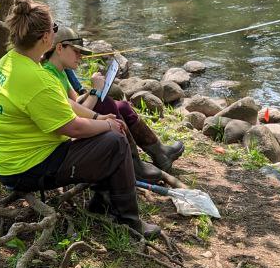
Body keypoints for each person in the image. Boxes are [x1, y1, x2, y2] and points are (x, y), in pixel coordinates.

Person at [0, 0, 159, 240]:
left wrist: (98, 115)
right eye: (54, 29)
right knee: (114, 141)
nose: (55, 33)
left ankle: (102, 200)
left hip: (7, 160)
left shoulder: (11, 61)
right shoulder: (38, 79)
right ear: (46, 38)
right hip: (24, 168)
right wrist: (107, 124)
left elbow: (62, 103)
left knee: (103, 133)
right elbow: (73, 128)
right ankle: (129, 222)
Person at [42, 26, 184, 181]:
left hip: (73, 122)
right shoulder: (49, 75)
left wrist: (92, 91)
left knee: (122, 106)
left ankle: (160, 153)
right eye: (76, 51)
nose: (80, 56)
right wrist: (96, 91)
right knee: (107, 104)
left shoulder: (60, 70)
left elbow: (75, 102)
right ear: (60, 48)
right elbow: (73, 114)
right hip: (63, 136)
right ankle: (133, 165)